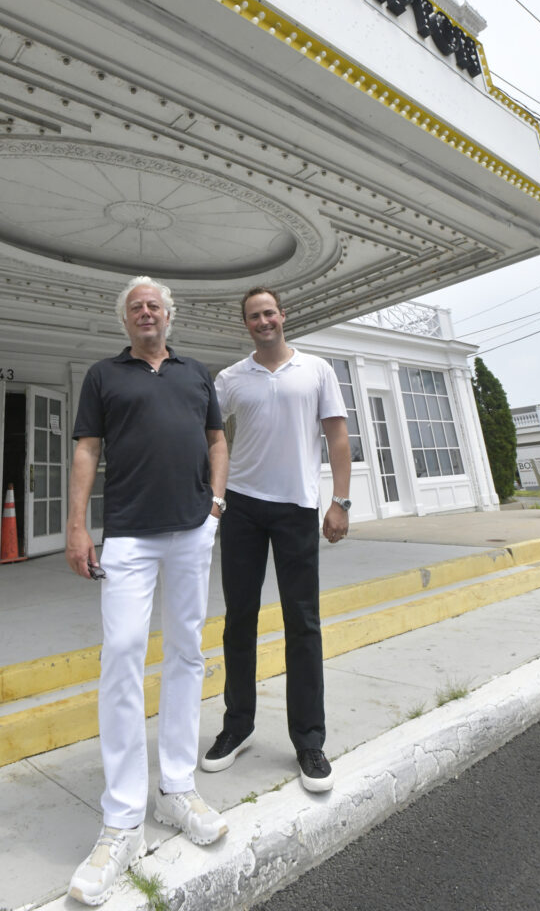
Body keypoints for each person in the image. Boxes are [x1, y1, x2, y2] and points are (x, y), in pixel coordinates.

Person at [66, 276, 229, 905]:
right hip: (128, 536)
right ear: (125, 320)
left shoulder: (195, 374)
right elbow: (86, 450)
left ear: (169, 315)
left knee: (187, 651)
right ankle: (122, 820)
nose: (145, 313)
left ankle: (177, 790)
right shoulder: (105, 376)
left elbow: (218, 439)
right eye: (135, 307)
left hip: (192, 531)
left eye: (153, 305)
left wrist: (215, 503)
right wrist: (78, 525)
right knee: (124, 654)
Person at [201, 286, 352, 793]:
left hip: (296, 508)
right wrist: (211, 497)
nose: (263, 321)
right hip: (242, 508)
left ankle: (308, 739)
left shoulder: (316, 370)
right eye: (253, 316)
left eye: (269, 312)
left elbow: (336, 437)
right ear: (246, 325)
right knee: (238, 620)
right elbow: (209, 435)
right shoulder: (229, 378)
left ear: (283, 315)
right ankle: (236, 727)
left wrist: (340, 501)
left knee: (302, 622)